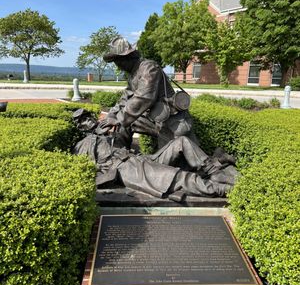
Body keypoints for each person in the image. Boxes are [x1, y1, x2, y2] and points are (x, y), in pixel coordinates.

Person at [73, 109, 238, 201]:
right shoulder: (83, 145)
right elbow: (86, 170)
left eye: (88, 117)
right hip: (127, 169)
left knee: (181, 141)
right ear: (81, 128)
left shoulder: (110, 130)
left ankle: (213, 170)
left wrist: (116, 124)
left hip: (142, 159)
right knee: (177, 178)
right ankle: (227, 191)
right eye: (83, 121)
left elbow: (130, 119)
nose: (88, 120)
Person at [99, 37, 197, 149]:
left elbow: (144, 98)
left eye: (118, 62)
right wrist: (112, 115)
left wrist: (118, 118)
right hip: (155, 119)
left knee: (168, 161)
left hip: (171, 123)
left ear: (126, 58)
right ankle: (120, 156)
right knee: (124, 124)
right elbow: (126, 97)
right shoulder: (134, 73)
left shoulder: (148, 68)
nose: (118, 66)